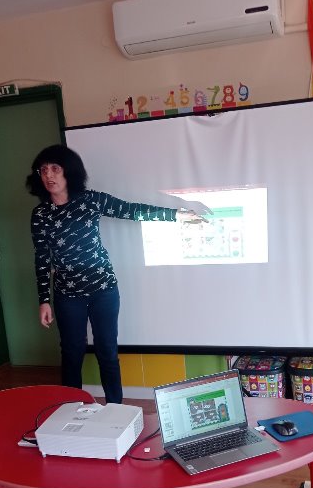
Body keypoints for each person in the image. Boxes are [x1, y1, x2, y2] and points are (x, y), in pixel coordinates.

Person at [26, 143, 204, 403]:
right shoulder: (40, 214)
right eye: (43, 170)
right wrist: (44, 300)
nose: (49, 175)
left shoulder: (90, 200)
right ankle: (71, 409)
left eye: (55, 168)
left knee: (107, 352)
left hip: (103, 290)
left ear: (69, 171)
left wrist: (175, 215)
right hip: (67, 295)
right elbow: (42, 257)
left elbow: (130, 210)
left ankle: (116, 410)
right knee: (72, 354)